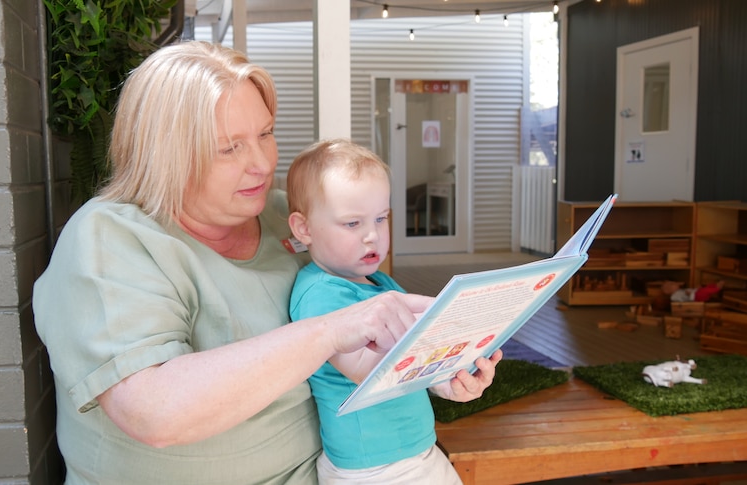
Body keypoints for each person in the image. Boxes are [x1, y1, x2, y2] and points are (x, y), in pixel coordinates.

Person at [32, 40, 501, 484]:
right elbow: (153, 412)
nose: (261, 163)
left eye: (266, 133)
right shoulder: (110, 238)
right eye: (230, 147)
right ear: (166, 156)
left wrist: (441, 369)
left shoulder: (284, 215)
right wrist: (331, 329)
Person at [286, 139, 490, 484]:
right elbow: (370, 372)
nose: (372, 236)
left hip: (416, 452)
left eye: (381, 219)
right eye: (352, 224)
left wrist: (447, 383)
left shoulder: (381, 284)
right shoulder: (320, 294)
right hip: (370, 468)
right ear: (304, 229)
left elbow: (413, 362)